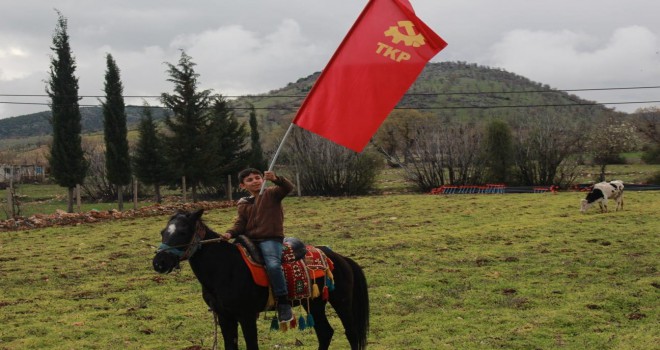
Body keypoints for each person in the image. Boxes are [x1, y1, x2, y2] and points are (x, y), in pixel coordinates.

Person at [221, 168, 295, 322]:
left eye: (257, 178)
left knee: (273, 265)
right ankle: (229, 296)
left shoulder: (272, 194)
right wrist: (230, 233)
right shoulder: (243, 203)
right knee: (228, 261)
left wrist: (276, 178)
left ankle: (283, 302)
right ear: (242, 185)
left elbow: (288, 188)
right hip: (248, 240)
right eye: (249, 180)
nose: (255, 181)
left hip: (270, 239)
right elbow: (241, 223)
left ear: (263, 179)